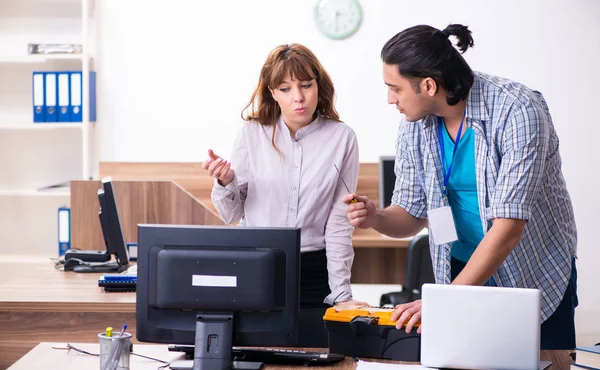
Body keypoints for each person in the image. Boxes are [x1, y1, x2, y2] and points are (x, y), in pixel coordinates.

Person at [344, 24, 578, 350]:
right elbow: (411, 215)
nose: (389, 99)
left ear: (428, 85)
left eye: (394, 88)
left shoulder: (518, 111)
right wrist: (376, 218)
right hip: (460, 270)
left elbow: (509, 228)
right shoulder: (415, 126)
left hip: (531, 273)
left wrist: (445, 300)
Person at [202, 43, 368, 347]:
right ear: (272, 92)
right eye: (286, 88)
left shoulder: (342, 138)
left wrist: (342, 293)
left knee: (316, 368)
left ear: (319, 85)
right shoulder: (252, 134)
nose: (299, 97)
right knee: (254, 366)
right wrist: (226, 182)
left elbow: (338, 223)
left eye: (306, 85)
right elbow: (231, 215)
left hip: (314, 274)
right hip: (256, 267)